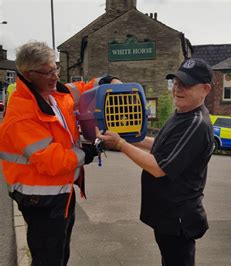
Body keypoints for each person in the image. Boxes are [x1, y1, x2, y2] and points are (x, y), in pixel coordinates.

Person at [0, 41, 120, 265]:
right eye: (48, 72)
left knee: (60, 253)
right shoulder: (22, 116)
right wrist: (90, 151)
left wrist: (107, 81)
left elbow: (84, 89)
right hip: (41, 201)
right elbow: (52, 161)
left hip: (60, 194)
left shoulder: (56, 93)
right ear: (28, 74)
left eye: (56, 68)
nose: (55, 75)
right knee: (49, 258)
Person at [100, 58, 214, 265]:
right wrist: (131, 136)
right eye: (176, 83)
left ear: (205, 89)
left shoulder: (195, 123)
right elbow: (162, 147)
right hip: (167, 216)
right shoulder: (182, 114)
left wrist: (120, 144)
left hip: (178, 218)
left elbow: (159, 168)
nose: (177, 89)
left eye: (186, 84)